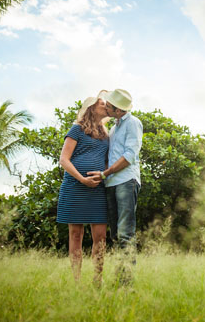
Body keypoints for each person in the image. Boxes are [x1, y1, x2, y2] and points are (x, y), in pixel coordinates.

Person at [88, 88, 143, 285]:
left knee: (126, 234)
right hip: (111, 184)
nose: (107, 108)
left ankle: (126, 284)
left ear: (120, 111)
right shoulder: (114, 127)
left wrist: (105, 173)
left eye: (110, 106)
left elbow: (129, 156)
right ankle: (121, 278)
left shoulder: (133, 124)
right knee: (116, 235)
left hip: (126, 182)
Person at [57, 94, 109, 286]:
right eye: (102, 104)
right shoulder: (77, 129)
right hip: (74, 187)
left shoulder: (106, 133)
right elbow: (64, 159)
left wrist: (102, 175)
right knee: (76, 235)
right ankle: (76, 281)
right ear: (91, 108)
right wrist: (82, 179)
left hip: (97, 189)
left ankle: (98, 279)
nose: (105, 107)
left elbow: (106, 161)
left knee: (100, 236)